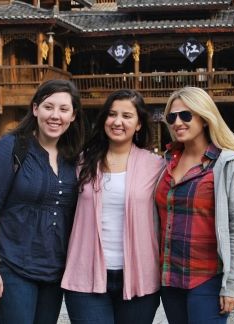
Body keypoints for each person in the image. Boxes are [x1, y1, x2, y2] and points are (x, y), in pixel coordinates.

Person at [0, 80, 85, 323]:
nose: (55, 115)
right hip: (12, 267)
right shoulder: (11, 146)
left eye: (63, 109)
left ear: (73, 116)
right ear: (35, 109)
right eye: (48, 107)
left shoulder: (72, 156)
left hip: (53, 271)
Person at [62, 90, 163, 324]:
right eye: (111, 114)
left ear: (138, 125)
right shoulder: (82, 162)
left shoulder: (156, 166)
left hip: (139, 276)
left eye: (127, 116)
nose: (118, 122)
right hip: (86, 275)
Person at [155, 87, 234, 324]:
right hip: (170, 278)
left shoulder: (228, 163)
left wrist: (233, 285)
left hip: (208, 277)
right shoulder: (166, 162)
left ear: (204, 116)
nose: (177, 122)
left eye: (186, 115)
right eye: (172, 117)